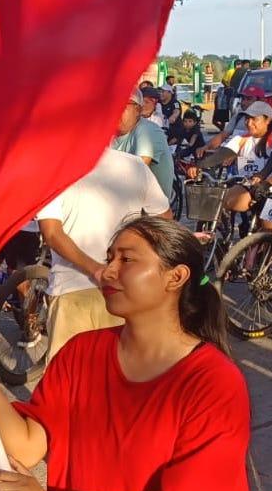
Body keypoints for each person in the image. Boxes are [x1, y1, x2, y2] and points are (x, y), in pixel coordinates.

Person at [0, 216, 250, 491]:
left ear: (175, 277)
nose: (108, 271)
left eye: (127, 259)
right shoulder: (81, 353)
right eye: (109, 258)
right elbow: (26, 448)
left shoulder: (214, 382)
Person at [36, 148, 171, 358]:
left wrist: (97, 270)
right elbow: (164, 222)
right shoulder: (135, 165)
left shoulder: (54, 168)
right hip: (127, 290)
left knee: (68, 382)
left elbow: (52, 233)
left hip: (72, 291)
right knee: (120, 379)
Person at [186, 101, 272, 231]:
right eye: (247, 119)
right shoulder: (242, 137)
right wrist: (199, 166)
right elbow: (223, 154)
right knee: (218, 202)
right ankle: (222, 235)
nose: (249, 123)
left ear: (268, 120)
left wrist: (261, 176)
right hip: (251, 188)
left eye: (254, 119)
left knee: (270, 234)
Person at [112, 87, 176, 199]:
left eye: (123, 105)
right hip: (122, 199)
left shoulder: (147, 130)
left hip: (149, 209)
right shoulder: (111, 134)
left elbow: (139, 168)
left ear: (138, 109)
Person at [199, 85, 264, 156]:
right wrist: (206, 147)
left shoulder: (267, 120)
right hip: (236, 161)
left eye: (249, 99)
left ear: (260, 101)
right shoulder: (238, 117)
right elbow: (223, 135)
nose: (244, 102)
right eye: (243, 99)